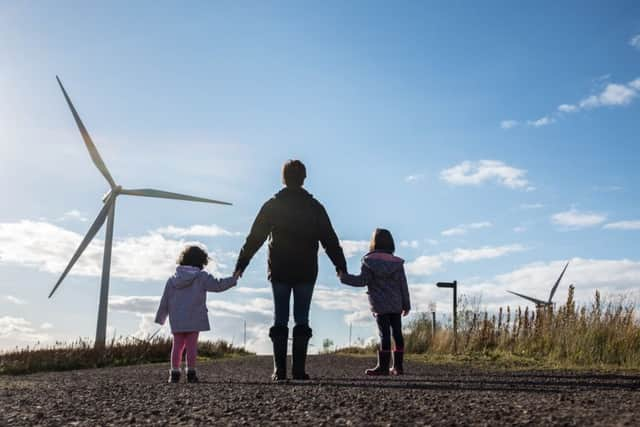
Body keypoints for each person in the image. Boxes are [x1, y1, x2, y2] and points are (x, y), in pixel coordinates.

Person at [234, 159, 347, 381]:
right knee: (302, 318)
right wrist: (340, 266)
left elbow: (255, 237)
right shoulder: (315, 207)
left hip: (279, 269)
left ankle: (279, 371)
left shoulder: (273, 205)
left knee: (280, 318)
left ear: (283, 178)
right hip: (306, 269)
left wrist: (241, 264)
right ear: (304, 179)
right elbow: (330, 239)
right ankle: (299, 370)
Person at [155, 245, 237, 383]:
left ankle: (174, 374)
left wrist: (161, 318)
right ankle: (191, 373)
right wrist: (233, 280)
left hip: (177, 319)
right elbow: (217, 285)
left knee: (177, 345)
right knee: (191, 346)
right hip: (194, 318)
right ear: (201, 261)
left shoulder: (172, 279)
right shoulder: (201, 277)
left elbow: (165, 300)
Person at [339, 228, 411, 375]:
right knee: (397, 334)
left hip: (379, 305)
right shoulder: (397, 264)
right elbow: (403, 285)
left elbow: (362, 281)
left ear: (373, 243)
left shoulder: (369, 262)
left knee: (384, 334)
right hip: (396, 304)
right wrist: (406, 304)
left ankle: (383, 367)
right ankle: (398, 367)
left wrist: (344, 277)